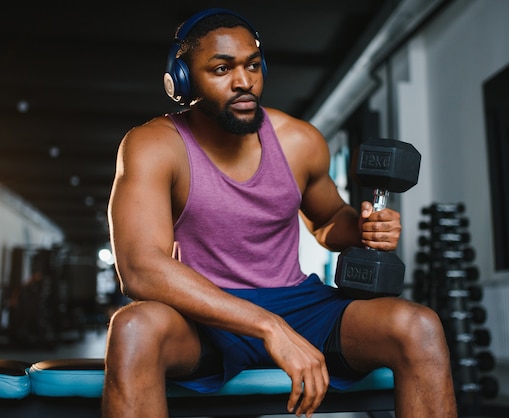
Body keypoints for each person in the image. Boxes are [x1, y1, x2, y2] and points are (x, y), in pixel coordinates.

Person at [102, 8, 457, 418]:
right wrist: (269, 326)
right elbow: (139, 268)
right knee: (132, 328)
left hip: (299, 304)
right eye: (221, 69)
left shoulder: (299, 141)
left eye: (252, 66)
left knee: (419, 326)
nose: (243, 82)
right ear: (182, 81)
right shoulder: (154, 145)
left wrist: (363, 228)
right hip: (204, 313)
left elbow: (326, 222)